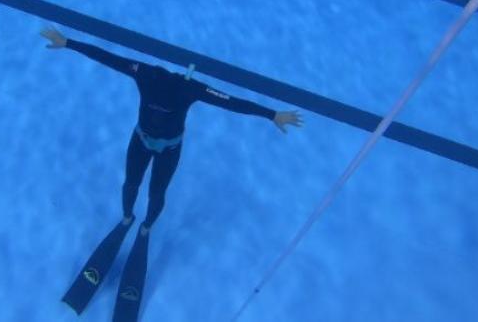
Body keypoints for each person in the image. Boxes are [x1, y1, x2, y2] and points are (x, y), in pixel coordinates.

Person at [40, 27, 303, 236]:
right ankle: (128, 217)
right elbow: (108, 58)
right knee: (131, 183)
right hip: (142, 141)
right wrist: (68, 43)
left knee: (156, 193)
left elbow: (231, 102)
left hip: (169, 148)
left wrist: (272, 114)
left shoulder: (183, 86)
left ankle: (146, 227)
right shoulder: (147, 75)